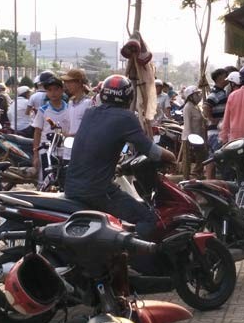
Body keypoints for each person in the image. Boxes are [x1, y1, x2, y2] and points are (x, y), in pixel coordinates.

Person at [64, 74, 176, 238]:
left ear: (103, 94)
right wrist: (172, 157)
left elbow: (98, 145)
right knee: (149, 219)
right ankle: (138, 261)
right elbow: (150, 151)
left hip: (72, 187)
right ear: (128, 97)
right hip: (98, 191)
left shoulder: (90, 113)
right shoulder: (126, 118)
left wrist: (118, 167)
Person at [32, 72, 70, 182]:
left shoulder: (69, 109)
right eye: (50, 90)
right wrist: (35, 155)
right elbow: (37, 132)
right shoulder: (43, 110)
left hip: (64, 152)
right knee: (46, 182)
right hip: (46, 152)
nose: (53, 93)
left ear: (62, 90)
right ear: (47, 92)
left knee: (63, 182)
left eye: (56, 89)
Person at [203, 69, 228, 179]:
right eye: (225, 76)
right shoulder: (216, 93)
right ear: (220, 78)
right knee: (219, 156)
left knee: (212, 157)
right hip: (215, 131)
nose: (227, 78)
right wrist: (212, 119)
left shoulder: (221, 92)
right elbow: (206, 106)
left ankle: (210, 181)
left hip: (215, 131)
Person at [181, 85, 206, 179]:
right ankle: (188, 177)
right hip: (191, 138)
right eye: (196, 94)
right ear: (190, 96)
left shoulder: (196, 107)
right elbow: (187, 125)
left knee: (201, 156)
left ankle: (197, 173)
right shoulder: (188, 107)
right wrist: (190, 139)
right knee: (189, 159)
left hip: (199, 137)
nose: (199, 96)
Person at [62, 68, 92, 137]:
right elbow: (67, 124)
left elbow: (90, 127)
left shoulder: (89, 103)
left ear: (79, 82)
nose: (67, 85)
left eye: (70, 82)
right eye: (66, 82)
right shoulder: (70, 102)